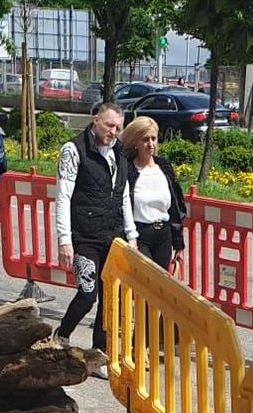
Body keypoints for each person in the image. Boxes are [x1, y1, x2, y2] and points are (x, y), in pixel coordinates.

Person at [56, 103, 137, 365]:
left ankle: (99, 352)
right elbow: (63, 197)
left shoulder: (120, 153)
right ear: (96, 121)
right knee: (88, 293)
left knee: (108, 297)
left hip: (113, 236)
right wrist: (65, 240)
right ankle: (62, 335)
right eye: (109, 125)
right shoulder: (74, 150)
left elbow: (124, 195)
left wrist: (131, 234)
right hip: (85, 236)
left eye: (118, 127)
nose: (113, 132)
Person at [121, 116, 186, 270]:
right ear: (135, 142)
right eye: (145, 139)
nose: (150, 144)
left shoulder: (164, 167)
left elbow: (175, 208)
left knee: (159, 287)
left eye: (153, 138)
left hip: (163, 235)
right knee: (146, 280)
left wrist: (178, 242)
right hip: (139, 235)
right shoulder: (128, 169)